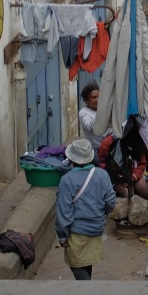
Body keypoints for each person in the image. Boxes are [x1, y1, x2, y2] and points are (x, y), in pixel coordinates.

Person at [55, 139, 116, 281]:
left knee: (77, 266)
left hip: (77, 232)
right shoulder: (102, 174)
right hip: (96, 229)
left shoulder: (66, 180)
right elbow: (111, 202)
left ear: (71, 158)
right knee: (86, 262)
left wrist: (62, 236)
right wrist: (100, 214)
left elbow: (63, 212)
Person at [78, 81, 107, 151]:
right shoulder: (83, 112)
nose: (97, 100)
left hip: (108, 147)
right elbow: (88, 127)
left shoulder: (104, 110)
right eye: (94, 97)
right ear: (86, 100)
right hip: (95, 150)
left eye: (99, 97)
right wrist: (101, 111)